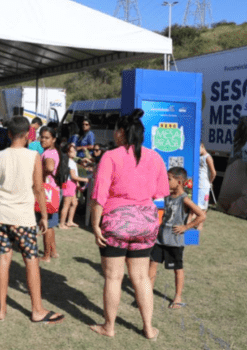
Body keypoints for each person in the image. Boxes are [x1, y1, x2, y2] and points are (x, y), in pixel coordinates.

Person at [89, 109, 169, 340]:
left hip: (116, 222)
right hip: (145, 223)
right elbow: (160, 193)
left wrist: (96, 224)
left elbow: (99, 195)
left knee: (114, 277)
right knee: (141, 277)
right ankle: (148, 328)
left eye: (116, 130)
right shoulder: (155, 158)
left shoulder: (110, 156)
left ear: (122, 133)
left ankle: (109, 327)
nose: (114, 134)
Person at [0, 116, 64, 324]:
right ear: (29, 135)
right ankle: (37, 309)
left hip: (0, 215)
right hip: (23, 217)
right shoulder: (33, 157)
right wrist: (45, 217)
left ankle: (1, 309)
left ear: (9, 134)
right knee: (30, 261)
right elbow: (39, 188)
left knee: (3, 259)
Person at [148, 167, 206, 310]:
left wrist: (186, 227)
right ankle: (146, 295)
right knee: (152, 265)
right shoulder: (167, 196)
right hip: (160, 239)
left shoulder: (184, 199)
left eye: (169, 179)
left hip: (174, 242)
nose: (166, 182)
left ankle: (178, 297)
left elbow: (202, 215)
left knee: (177, 269)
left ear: (179, 182)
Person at [37, 126, 61, 263]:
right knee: (51, 224)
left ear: (53, 139)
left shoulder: (48, 154)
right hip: (53, 191)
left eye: (46, 137)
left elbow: (50, 167)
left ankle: (46, 255)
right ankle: (53, 251)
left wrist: (42, 173)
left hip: (47, 192)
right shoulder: (53, 152)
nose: (43, 140)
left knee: (46, 224)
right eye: (42, 137)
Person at [58, 142, 88, 229]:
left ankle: (70, 221)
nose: (74, 152)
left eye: (74, 151)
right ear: (67, 152)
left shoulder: (71, 161)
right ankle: (62, 224)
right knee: (66, 204)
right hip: (69, 185)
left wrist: (77, 184)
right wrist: (85, 179)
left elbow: (74, 177)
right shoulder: (70, 162)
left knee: (74, 203)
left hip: (71, 184)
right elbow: (74, 176)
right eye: (72, 151)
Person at [194, 142, 217, 230]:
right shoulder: (199, 157)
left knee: (202, 208)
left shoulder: (208, 157)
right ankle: (197, 225)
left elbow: (213, 172)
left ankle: (200, 226)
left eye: (198, 148)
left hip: (203, 186)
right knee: (197, 207)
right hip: (198, 184)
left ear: (202, 146)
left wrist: (210, 182)